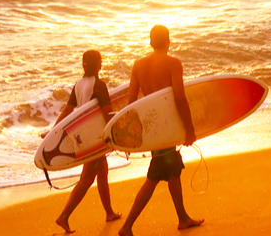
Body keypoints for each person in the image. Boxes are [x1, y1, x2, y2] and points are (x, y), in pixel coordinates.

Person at [118, 26, 204, 236]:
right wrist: (189, 128)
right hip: (168, 125)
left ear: (150, 42)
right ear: (168, 41)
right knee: (155, 176)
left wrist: (128, 136)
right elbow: (179, 98)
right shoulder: (173, 63)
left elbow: (131, 102)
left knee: (172, 170)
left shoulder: (138, 65)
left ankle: (183, 218)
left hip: (150, 125)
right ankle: (127, 226)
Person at [52, 50, 122, 233]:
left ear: (84, 64)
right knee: (88, 177)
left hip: (82, 136)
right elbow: (107, 112)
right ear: (99, 64)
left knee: (102, 172)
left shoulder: (78, 85)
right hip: (95, 137)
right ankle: (64, 216)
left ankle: (109, 212)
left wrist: (54, 130)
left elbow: (68, 110)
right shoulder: (99, 85)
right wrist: (116, 135)